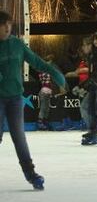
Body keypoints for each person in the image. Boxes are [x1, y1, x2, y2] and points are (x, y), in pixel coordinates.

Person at [0, 10, 66, 190]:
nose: (7, 28)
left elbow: (36, 61)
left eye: (9, 25)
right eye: (3, 25)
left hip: (14, 98)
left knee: (19, 137)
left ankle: (31, 174)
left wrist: (54, 72)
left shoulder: (17, 44)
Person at [37, 54, 58, 131]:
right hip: (45, 90)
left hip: (47, 91)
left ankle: (44, 122)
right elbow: (49, 79)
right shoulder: (44, 70)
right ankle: (40, 122)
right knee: (43, 107)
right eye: (50, 61)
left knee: (46, 108)